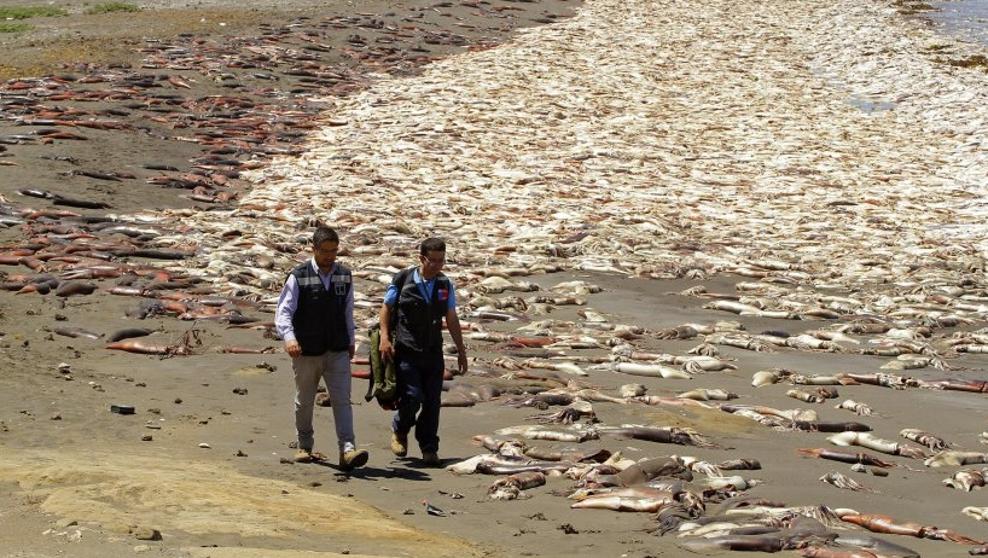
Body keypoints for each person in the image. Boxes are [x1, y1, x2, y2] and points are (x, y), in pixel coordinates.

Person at [275, 226, 369, 470]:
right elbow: (284, 312)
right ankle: (304, 445)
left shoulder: (344, 275)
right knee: (305, 400)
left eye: (334, 251)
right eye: (325, 251)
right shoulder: (298, 276)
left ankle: (347, 449)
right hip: (307, 350)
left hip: (336, 348)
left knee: (342, 400)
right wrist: (289, 338)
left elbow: (348, 310)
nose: (330, 256)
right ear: (314, 249)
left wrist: (350, 340)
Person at [378, 237, 468, 467]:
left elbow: (451, 318)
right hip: (407, 349)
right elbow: (386, 308)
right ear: (421, 258)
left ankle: (429, 446)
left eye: (441, 261)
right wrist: (385, 338)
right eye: (433, 261)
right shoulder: (403, 279)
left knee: (432, 402)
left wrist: (461, 350)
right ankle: (400, 428)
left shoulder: (444, 285)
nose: (437, 265)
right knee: (412, 396)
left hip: (432, 350)